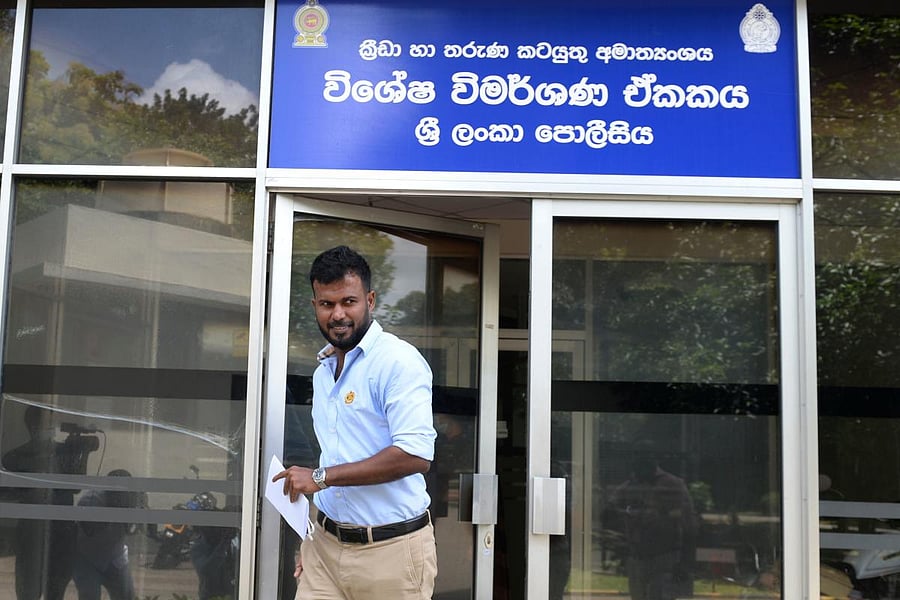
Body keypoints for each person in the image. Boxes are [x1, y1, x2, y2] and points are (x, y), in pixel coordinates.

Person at [273, 245, 438, 599]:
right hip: (325, 548)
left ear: (370, 300)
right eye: (326, 304)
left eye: (349, 301)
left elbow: (415, 455)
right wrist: (312, 539)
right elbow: (338, 454)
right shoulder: (324, 372)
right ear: (315, 305)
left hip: (391, 551)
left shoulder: (398, 362)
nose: (337, 314)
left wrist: (320, 477)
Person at [608, 440, 695, 600]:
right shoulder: (629, 487)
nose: (638, 462)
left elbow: (688, 525)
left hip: (663, 560)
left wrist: (685, 563)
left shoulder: (672, 484)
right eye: (635, 457)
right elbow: (609, 512)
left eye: (643, 456)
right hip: (636, 560)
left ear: (654, 459)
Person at [73, 469, 142, 600]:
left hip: (115, 558)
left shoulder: (132, 500)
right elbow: (89, 529)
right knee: (90, 595)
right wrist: (114, 511)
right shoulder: (91, 500)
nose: (121, 496)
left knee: (127, 595)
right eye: (117, 492)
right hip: (87, 558)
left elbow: (133, 530)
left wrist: (133, 509)